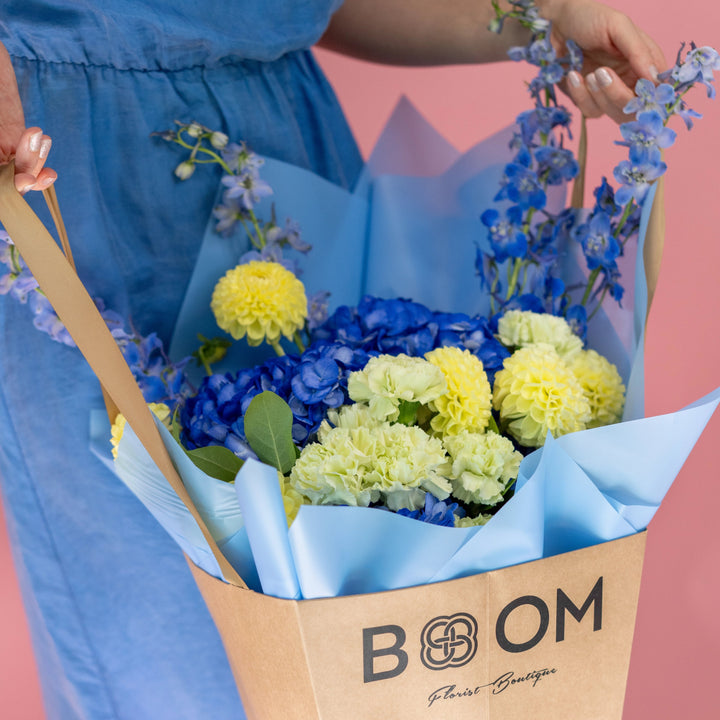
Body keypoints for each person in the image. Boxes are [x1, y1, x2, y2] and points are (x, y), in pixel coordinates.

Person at [0, 1, 664, 718]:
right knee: (170, 652)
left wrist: (544, 22)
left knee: (378, 634)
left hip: (283, 146)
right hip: (67, 170)